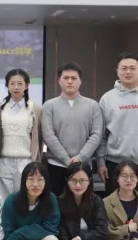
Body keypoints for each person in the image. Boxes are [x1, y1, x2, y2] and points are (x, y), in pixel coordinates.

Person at [97, 53, 138, 195]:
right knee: (114, 205)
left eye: (132, 68)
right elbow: (101, 135)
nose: (128, 72)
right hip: (114, 163)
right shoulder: (107, 99)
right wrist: (100, 162)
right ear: (117, 72)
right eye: (124, 68)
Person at [40, 62, 103, 198]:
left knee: (83, 203)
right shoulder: (49, 106)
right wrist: (66, 160)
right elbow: (48, 135)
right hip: (55, 165)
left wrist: (80, 158)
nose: (70, 81)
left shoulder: (92, 106)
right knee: (55, 203)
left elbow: (96, 135)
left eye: (74, 78)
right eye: (66, 78)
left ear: (80, 81)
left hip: (83, 166)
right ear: (59, 80)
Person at [0, 68, 41, 197]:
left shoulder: (35, 109)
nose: (16, 87)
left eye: (20, 83)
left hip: (26, 161)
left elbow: (39, 137)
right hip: (3, 161)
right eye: (12, 83)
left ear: (26, 85)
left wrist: (36, 161)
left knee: (26, 198)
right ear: (7, 85)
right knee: (4, 199)